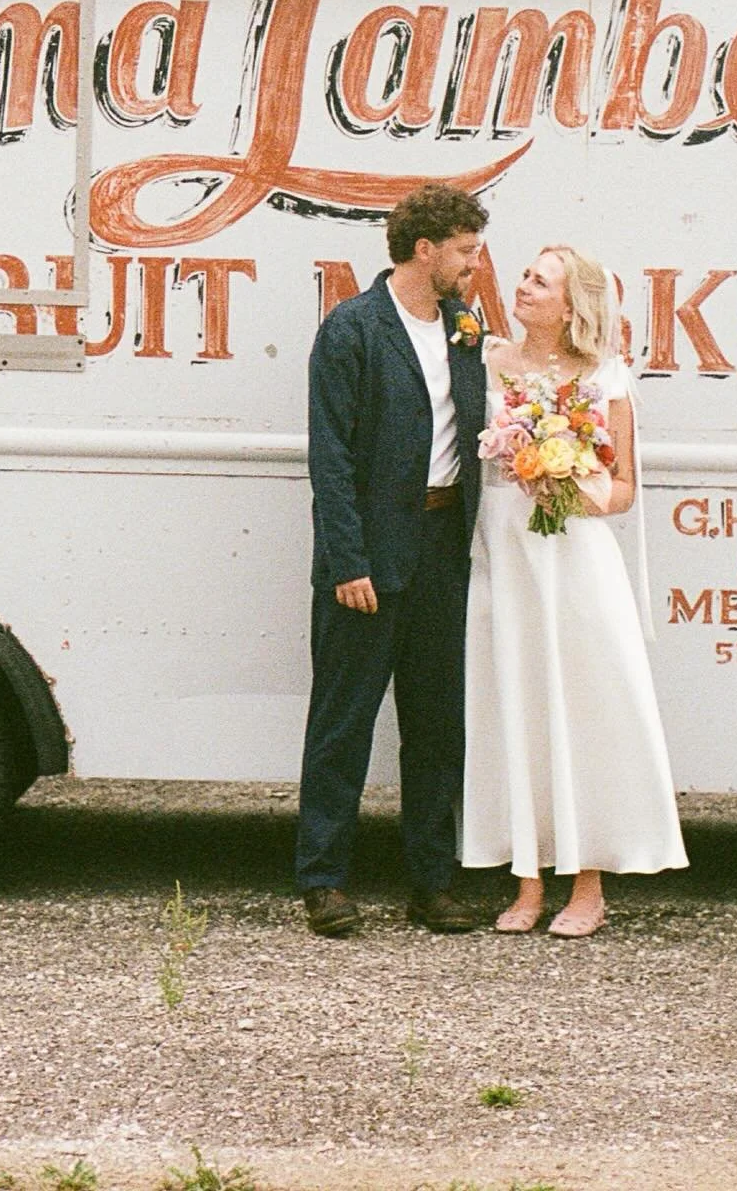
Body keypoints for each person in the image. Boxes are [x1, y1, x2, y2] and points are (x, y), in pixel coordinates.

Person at [462, 245, 687, 937]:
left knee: (580, 710)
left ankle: (586, 885)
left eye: (540, 281)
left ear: (571, 305)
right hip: (503, 553)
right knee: (512, 705)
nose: (522, 287)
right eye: (525, 275)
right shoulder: (487, 361)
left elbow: (621, 492)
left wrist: (563, 481)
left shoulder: (606, 375)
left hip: (575, 560)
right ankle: (526, 881)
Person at [296, 182, 490, 937]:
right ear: (425, 249)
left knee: (438, 724)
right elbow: (331, 459)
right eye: (466, 252)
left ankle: (432, 883)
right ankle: (323, 881)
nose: (474, 265)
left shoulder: (464, 327)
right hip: (369, 558)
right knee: (342, 723)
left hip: (443, 549)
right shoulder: (353, 330)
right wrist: (348, 563)